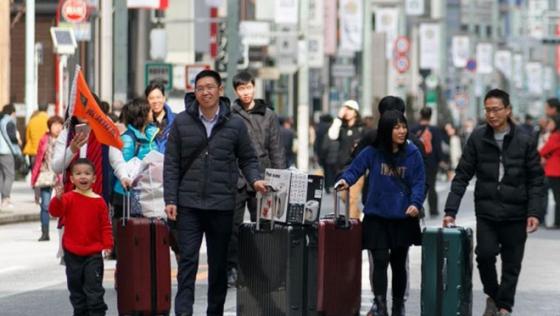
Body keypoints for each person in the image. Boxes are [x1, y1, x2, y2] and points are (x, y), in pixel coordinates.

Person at [163, 70, 267, 316]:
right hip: (188, 205)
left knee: (218, 266)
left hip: (222, 205)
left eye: (210, 87)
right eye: (200, 88)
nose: (205, 92)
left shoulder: (234, 124)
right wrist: (170, 199)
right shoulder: (181, 122)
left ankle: (214, 312)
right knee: (187, 262)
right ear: (195, 91)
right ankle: (184, 312)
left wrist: (255, 180)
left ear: (220, 90)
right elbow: (171, 163)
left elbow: (248, 158)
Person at [443, 89, 544, 316]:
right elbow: (462, 175)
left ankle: (504, 308)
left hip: (516, 212)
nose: (491, 115)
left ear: (508, 110)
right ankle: (494, 295)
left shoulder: (525, 140)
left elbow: (537, 180)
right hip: (487, 211)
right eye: (487, 110)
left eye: (496, 109)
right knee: (485, 255)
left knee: (512, 264)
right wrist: (451, 209)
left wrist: (534, 212)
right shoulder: (478, 138)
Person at [336, 110, 425, 316]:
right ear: (386, 130)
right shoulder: (373, 152)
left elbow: (419, 182)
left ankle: (397, 306)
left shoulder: (412, 154)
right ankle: (380, 304)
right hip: (377, 216)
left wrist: (416, 203)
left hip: (403, 217)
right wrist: (345, 180)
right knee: (380, 260)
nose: (402, 131)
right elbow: (355, 168)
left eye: (404, 127)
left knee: (398, 263)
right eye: (397, 127)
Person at [227, 71, 285, 286]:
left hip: (263, 178)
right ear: (236, 91)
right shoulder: (230, 114)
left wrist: (280, 179)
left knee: (264, 226)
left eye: (248, 87)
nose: (245, 92)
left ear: (254, 87)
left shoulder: (268, 115)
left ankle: (263, 268)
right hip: (236, 178)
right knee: (233, 227)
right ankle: (232, 268)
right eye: (241, 89)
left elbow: (276, 149)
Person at [49, 158, 113, 316]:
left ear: (94, 178)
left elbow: (105, 225)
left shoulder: (99, 202)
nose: (83, 177)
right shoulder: (68, 198)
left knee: (94, 291)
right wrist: (57, 198)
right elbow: (55, 212)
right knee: (76, 291)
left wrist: (108, 245)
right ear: (71, 179)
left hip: (93, 254)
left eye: (87, 173)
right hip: (72, 252)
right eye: (78, 174)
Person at [109, 98, 159, 257]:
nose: (152, 112)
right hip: (127, 195)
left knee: (146, 239)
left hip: (148, 193)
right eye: (149, 110)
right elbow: (122, 165)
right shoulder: (128, 139)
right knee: (130, 239)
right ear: (142, 114)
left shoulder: (152, 134)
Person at [327, 100, 365, 217]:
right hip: (342, 169)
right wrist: (338, 118)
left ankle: (352, 230)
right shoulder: (341, 127)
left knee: (352, 199)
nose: (347, 112)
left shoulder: (361, 129)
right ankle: (359, 217)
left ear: (356, 112)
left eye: (350, 109)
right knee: (344, 197)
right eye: (345, 109)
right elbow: (332, 135)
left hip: (357, 168)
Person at [31, 115, 64, 241]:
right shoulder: (44, 140)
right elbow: (38, 159)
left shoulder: (65, 140)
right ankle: (45, 232)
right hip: (45, 175)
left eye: (60, 125)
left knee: (62, 204)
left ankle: (63, 230)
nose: (57, 128)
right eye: (54, 125)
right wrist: (34, 179)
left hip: (59, 176)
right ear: (49, 127)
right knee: (45, 205)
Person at [411, 107, 443, 216]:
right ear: (430, 115)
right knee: (431, 185)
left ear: (420, 115)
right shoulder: (435, 130)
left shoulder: (413, 129)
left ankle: (416, 207)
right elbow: (438, 147)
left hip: (416, 160)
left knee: (417, 184)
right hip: (431, 161)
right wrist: (440, 160)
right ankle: (433, 210)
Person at [539, 115, 560, 228]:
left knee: (554, 197)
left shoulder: (555, 136)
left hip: (553, 171)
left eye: (551, 123)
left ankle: (557, 222)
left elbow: (543, 151)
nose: (549, 125)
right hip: (555, 170)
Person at [145, 80, 176, 153]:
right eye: (151, 98)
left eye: (158, 97)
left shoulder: (176, 120)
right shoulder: (143, 123)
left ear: (164, 98)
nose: (155, 101)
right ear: (146, 100)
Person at [0, 104, 20, 209]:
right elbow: (12, 137)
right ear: (12, 112)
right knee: (9, 175)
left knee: (2, 175)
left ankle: (3, 198)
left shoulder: (1, 120)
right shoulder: (9, 121)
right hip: (6, 151)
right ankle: (5, 199)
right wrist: (18, 141)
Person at [23, 103, 49, 169]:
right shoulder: (49, 120)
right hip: (45, 151)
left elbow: (27, 137)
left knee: (34, 172)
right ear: (47, 109)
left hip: (33, 151)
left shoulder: (32, 120)